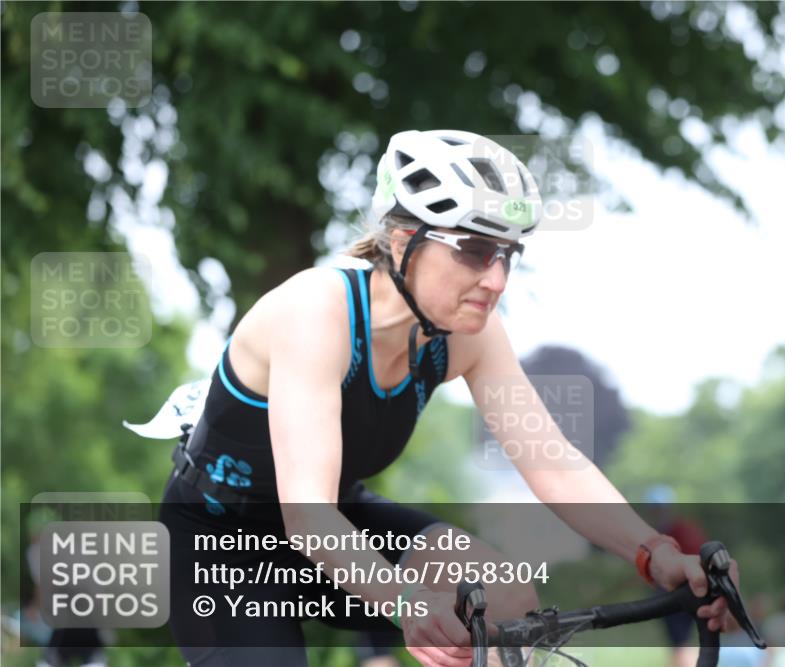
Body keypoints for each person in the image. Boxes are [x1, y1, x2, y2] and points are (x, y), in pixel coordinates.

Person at [156, 129, 739, 667]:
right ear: (405, 240)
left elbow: (552, 464)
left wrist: (653, 551)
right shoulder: (315, 312)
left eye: (509, 253)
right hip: (222, 542)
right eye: (473, 250)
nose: (497, 279)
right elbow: (306, 514)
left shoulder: (468, 336)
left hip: (342, 520)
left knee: (507, 597)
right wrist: (409, 601)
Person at [645, 485, 709, 667]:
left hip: (679, 592)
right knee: (681, 643)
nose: (656, 513)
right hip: (686, 592)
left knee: (681, 644)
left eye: (659, 508)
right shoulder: (675, 530)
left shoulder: (678, 531)